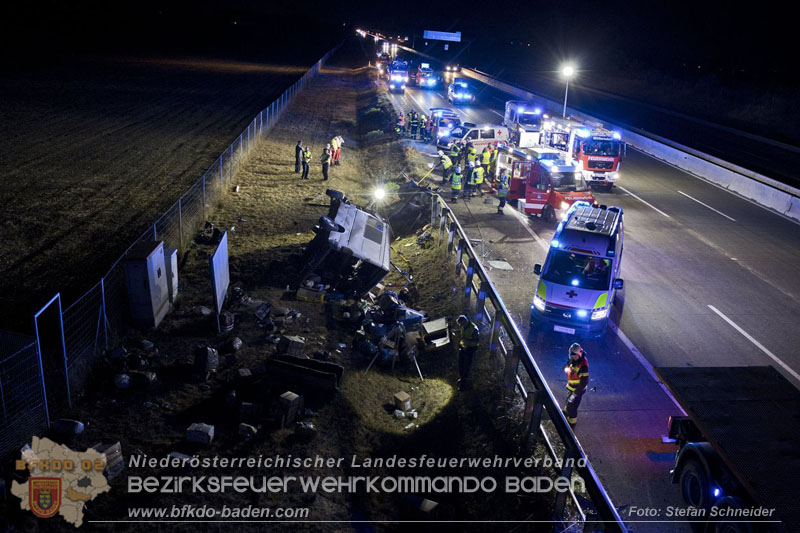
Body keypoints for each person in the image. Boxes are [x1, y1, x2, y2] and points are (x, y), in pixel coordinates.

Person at [563, 343, 589, 428]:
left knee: (572, 407)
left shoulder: (583, 365)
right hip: (571, 387)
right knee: (568, 401)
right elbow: (567, 365)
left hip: (578, 390)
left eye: (574, 355)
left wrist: (575, 394)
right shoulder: (573, 359)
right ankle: (566, 413)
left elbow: (584, 382)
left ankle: (571, 424)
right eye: (571, 355)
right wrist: (565, 368)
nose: (572, 357)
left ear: (579, 354)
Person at [456, 314, 480, 391]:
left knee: (466, 367)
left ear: (465, 321)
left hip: (470, 350)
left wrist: (467, 341)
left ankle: (463, 386)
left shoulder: (474, 329)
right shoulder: (464, 327)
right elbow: (464, 336)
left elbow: (476, 342)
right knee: (461, 365)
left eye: (462, 324)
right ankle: (462, 378)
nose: (461, 326)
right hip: (463, 348)